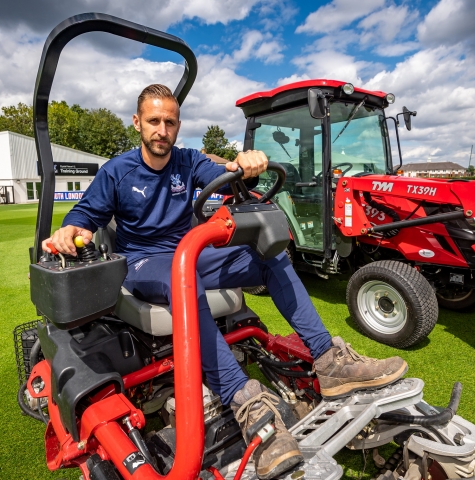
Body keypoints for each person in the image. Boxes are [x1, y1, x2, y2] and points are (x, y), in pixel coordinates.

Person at [43, 84, 407, 480]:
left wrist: (245, 164)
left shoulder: (188, 161)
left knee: (269, 255)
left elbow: (229, 177)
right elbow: (83, 217)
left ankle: (328, 360)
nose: (161, 130)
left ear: (178, 125)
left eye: (169, 122)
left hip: (189, 253)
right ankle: (244, 399)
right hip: (144, 262)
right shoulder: (117, 171)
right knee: (182, 278)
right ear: (137, 123)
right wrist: (68, 232)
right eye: (153, 121)